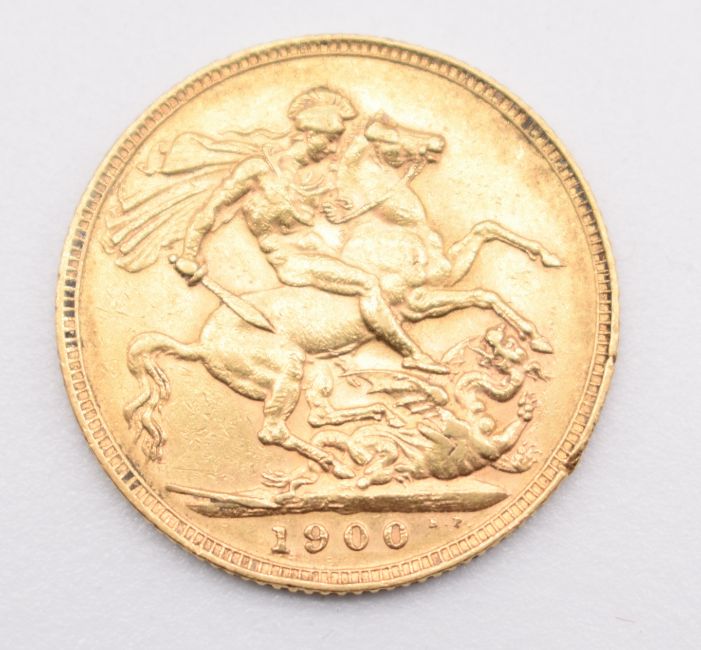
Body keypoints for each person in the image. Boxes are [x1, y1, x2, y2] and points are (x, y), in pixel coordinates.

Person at [173, 87, 446, 374]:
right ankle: (412, 354)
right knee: (368, 284)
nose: (333, 149)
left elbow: (348, 191)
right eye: (329, 140)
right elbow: (210, 210)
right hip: (294, 262)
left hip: (326, 251)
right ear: (308, 135)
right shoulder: (258, 171)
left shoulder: (320, 175)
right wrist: (189, 253)